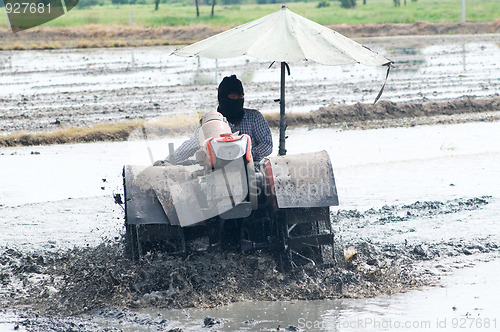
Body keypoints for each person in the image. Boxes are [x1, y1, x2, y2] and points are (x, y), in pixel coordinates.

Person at [156, 75, 273, 168]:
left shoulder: (254, 117)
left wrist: (244, 155)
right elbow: (190, 146)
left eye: (240, 97)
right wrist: (167, 161)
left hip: (253, 170)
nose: (237, 100)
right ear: (223, 97)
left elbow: (267, 144)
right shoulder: (213, 123)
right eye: (233, 97)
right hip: (219, 171)